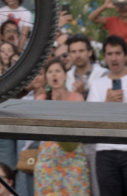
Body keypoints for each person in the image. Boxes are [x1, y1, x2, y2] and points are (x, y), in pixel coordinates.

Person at [86, 36, 127, 196]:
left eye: (118, 53)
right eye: (109, 54)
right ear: (105, 57)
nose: (114, 58)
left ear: (126, 56)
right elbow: (92, 120)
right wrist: (107, 104)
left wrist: (110, 108)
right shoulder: (97, 84)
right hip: (106, 150)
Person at [31, 59, 88, 196]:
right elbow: (39, 128)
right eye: (50, 72)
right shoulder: (40, 100)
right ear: (46, 78)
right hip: (48, 159)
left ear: (65, 75)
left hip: (73, 158)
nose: (54, 74)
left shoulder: (77, 98)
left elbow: (79, 127)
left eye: (57, 71)